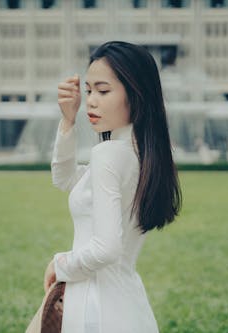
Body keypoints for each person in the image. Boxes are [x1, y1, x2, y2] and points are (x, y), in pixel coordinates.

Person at [44, 41, 182, 333]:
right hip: (127, 304)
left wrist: (60, 264)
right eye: (89, 90)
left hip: (96, 306)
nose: (91, 101)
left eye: (103, 91)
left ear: (136, 95)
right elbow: (66, 179)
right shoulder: (137, 154)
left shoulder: (108, 154)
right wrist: (68, 121)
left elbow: (106, 248)